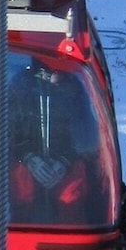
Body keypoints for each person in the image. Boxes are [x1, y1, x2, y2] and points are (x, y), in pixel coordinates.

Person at [7, 62, 98, 224]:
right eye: (52, 71)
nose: (57, 77)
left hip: (66, 163)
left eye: (60, 71)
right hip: (26, 162)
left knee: (72, 197)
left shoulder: (75, 88)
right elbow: (6, 131)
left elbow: (87, 135)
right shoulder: (21, 86)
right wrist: (28, 158)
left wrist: (65, 161)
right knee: (19, 193)